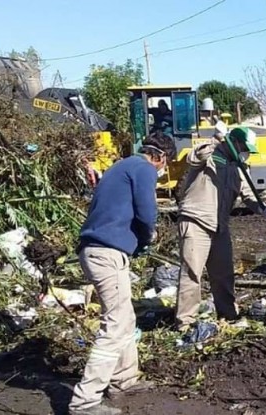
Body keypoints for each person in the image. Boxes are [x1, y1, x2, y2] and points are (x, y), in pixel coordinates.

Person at [68, 132, 176, 415]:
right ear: (161, 157)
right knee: (114, 325)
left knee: (125, 316)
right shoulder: (143, 169)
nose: (163, 169)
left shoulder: (121, 166)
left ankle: (124, 380)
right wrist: (148, 237)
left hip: (99, 250)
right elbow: (146, 211)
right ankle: (84, 401)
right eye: (166, 163)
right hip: (106, 253)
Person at [175, 126, 266, 330]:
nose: (246, 153)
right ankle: (185, 322)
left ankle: (227, 314)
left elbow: (248, 196)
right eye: (244, 148)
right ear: (235, 143)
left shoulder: (239, 168)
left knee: (224, 273)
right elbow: (194, 157)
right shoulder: (211, 155)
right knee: (192, 273)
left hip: (220, 224)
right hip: (196, 220)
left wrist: (262, 208)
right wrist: (216, 140)